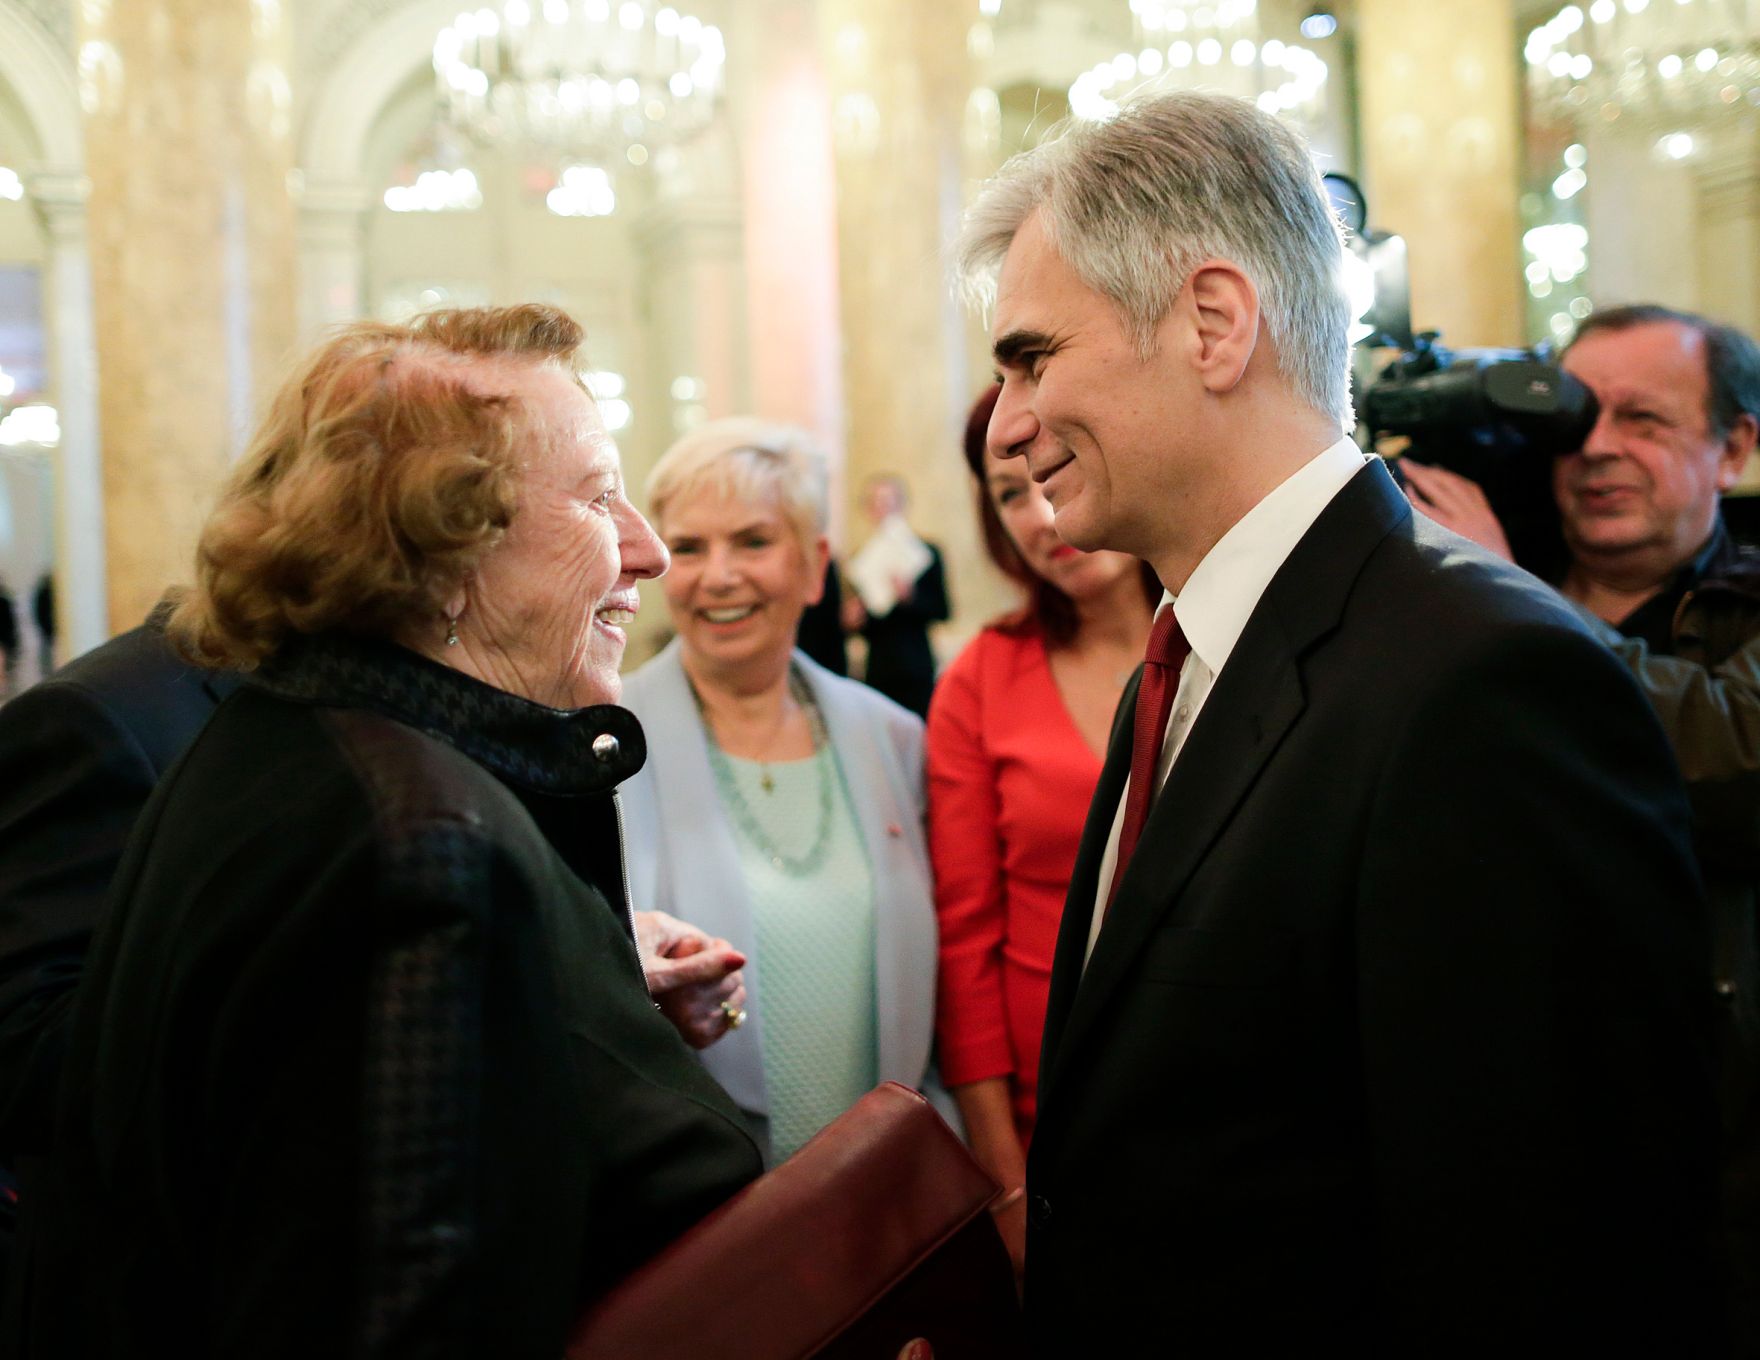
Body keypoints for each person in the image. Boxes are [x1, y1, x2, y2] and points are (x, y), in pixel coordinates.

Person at [956, 90, 1719, 1352]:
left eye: (1033, 357)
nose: (1009, 423)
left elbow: (1558, 1260)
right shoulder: (1192, 652)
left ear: (1210, 322)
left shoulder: (1486, 683)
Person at [7, 305, 762, 1360]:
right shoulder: (417, 835)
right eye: (597, 499)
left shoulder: (303, 739)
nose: (647, 549)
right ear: (447, 551)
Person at [1403, 302, 1760, 1341]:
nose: (1594, 448)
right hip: (1498, 1157)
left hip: (1708, 1160)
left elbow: (1730, 757)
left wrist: (1500, 596)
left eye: (1642, 420)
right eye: (1572, 418)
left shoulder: (1492, 593)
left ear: (1731, 445)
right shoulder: (1450, 595)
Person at [620, 418, 941, 1166]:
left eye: (753, 541)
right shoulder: (606, 744)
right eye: (691, 548)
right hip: (700, 1197)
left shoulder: (892, 738)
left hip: (883, 1188)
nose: (718, 575)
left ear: (814, 564)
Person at [925, 383, 1157, 1276]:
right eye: (1007, 492)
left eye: (1051, 468)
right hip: (1052, 1107)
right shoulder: (981, 680)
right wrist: (1007, 1184)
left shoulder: (1226, 638)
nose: (1039, 510)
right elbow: (965, 940)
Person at [843, 475, 949, 717]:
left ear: (903, 506)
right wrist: (852, 621)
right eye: (877, 504)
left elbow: (942, 611)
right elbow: (864, 626)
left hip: (915, 664)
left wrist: (910, 598)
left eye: (889, 503)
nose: (884, 510)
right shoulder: (860, 561)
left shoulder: (927, 553)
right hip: (879, 667)